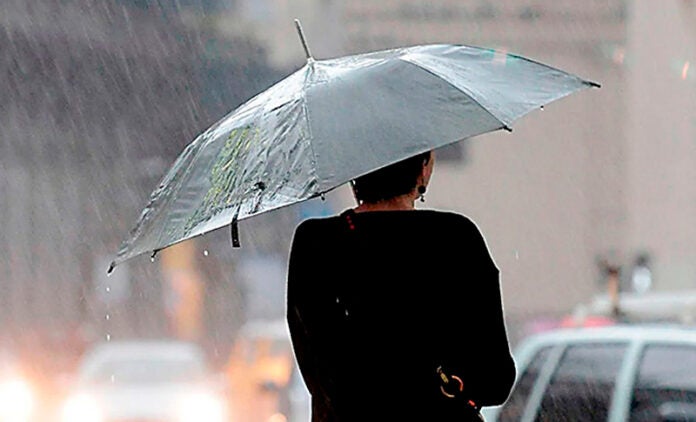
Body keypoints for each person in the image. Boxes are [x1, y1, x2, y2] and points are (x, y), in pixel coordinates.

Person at [286, 150, 516, 421]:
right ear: (423, 168)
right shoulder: (457, 237)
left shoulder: (316, 243)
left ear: (353, 171)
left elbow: (319, 368)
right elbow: (495, 381)